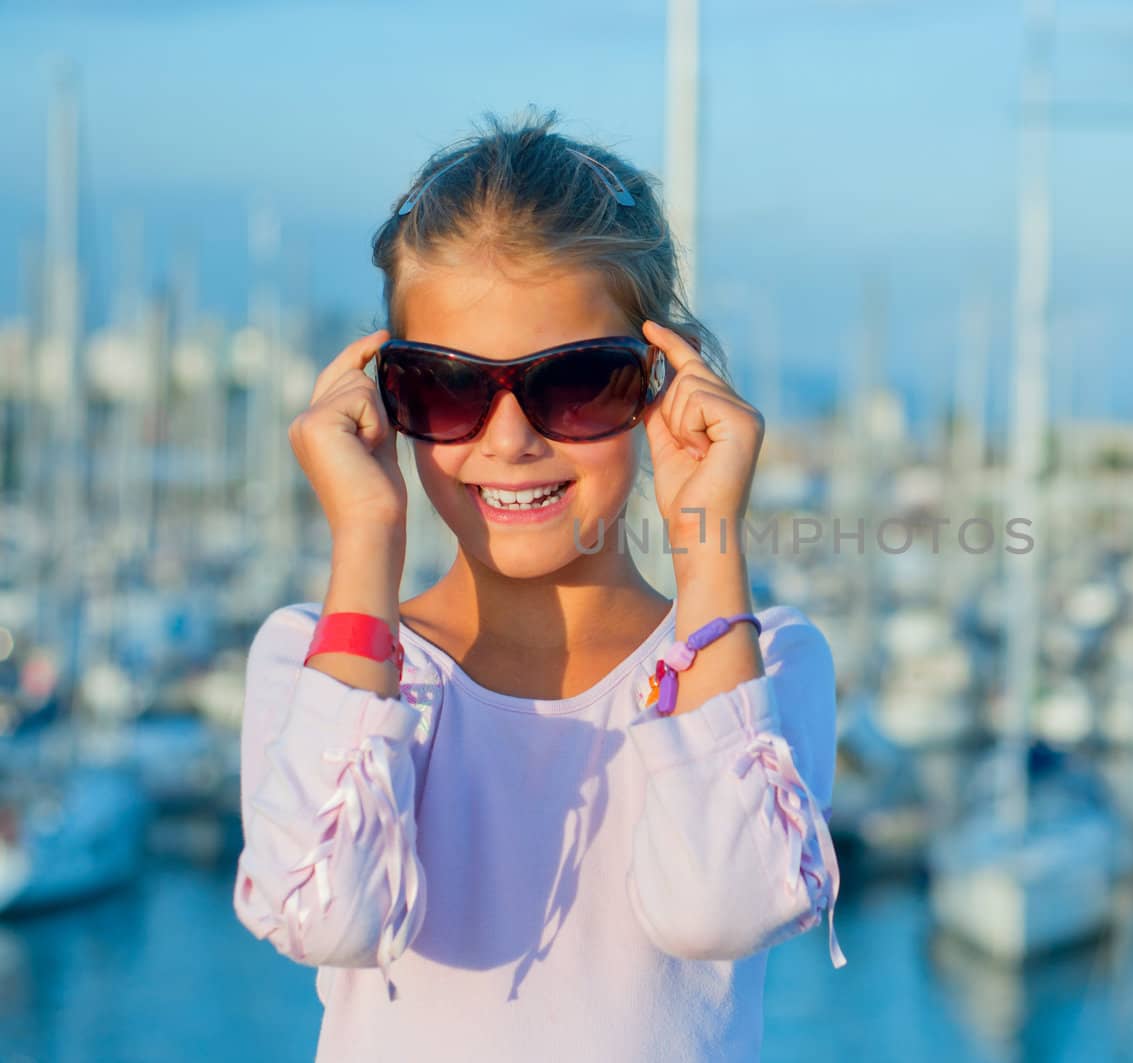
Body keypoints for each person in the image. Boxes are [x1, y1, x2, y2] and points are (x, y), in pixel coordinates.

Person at [231, 108, 845, 1062]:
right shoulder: (319, 665)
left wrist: (705, 537)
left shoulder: (765, 668)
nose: (510, 439)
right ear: (387, 400)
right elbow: (321, 914)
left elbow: (722, 905)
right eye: (446, 386)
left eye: (578, 383)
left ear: (660, 384)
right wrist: (367, 535)